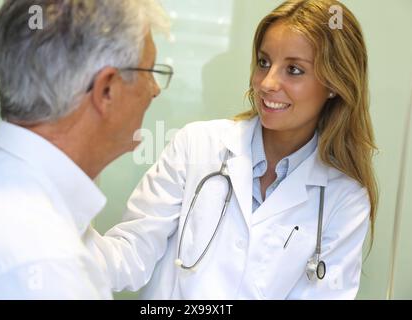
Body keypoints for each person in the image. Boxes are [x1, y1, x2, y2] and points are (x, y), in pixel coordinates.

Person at [95, 0, 378, 299]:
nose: (267, 83)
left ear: (335, 83)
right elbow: (128, 256)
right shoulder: (196, 145)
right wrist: (57, 219)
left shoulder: (344, 197)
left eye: (294, 70)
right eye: (264, 62)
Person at [0, 0, 172, 299]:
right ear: (107, 90)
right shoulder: (51, 266)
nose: (155, 89)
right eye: (149, 71)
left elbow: (117, 260)